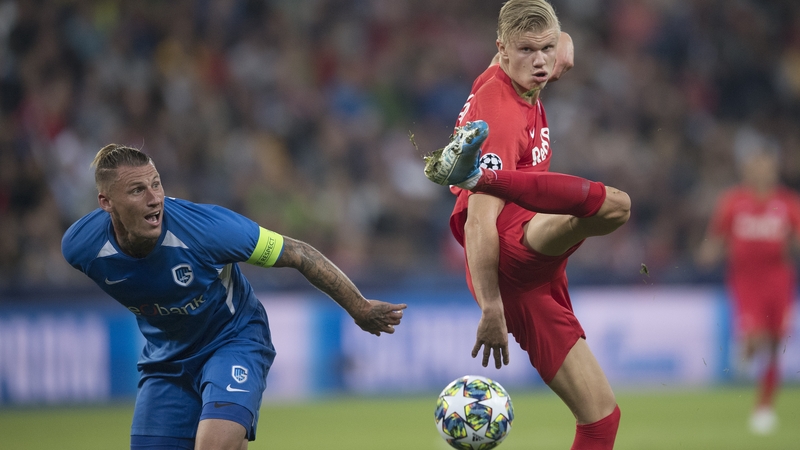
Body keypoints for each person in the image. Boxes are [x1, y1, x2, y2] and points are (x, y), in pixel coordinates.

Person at [61, 144, 407, 450]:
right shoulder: (81, 248)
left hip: (233, 341)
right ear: (106, 202)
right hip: (166, 362)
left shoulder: (208, 230)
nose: (155, 198)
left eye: (156, 184)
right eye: (137, 190)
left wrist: (359, 308)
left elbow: (300, 253)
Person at [423, 1, 631, 449]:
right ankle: (480, 177)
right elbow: (480, 223)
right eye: (527, 51)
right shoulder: (497, 115)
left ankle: (477, 175)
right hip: (510, 254)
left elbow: (561, 47)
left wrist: (559, 48)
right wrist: (491, 307)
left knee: (602, 420)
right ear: (501, 51)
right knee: (616, 207)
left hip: (539, 268)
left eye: (547, 49)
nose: (541, 61)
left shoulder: (530, 67)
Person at [696, 134, 800, 435]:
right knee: (755, 337)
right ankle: (746, 348)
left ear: (774, 169)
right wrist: (706, 254)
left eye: (766, 165)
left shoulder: (788, 203)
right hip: (745, 280)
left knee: (775, 344)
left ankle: (764, 407)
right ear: (747, 169)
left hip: (779, 279)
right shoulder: (733, 202)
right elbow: (716, 237)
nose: (761, 171)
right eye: (756, 165)